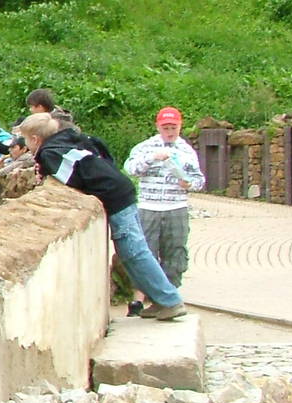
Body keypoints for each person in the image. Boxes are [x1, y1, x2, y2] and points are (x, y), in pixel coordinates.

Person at [17, 112, 187, 319]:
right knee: (130, 254)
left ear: (35, 139)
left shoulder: (50, 153)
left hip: (114, 197)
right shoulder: (71, 139)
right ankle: (160, 299)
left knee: (134, 252)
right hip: (120, 190)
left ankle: (170, 300)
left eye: (26, 139)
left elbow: (69, 180)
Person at [122, 106, 205, 315]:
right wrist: (152, 158)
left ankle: (169, 298)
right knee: (145, 252)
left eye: (174, 127)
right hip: (149, 207)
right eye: (166, 127)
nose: (170, 131)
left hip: (176, 207)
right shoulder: (145, 147)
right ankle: (142, 298)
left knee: (176, 252)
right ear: (158, 126)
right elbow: (130, 169)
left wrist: (189, 184)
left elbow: (199, 180)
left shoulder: (186, 150)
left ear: (180, 126)